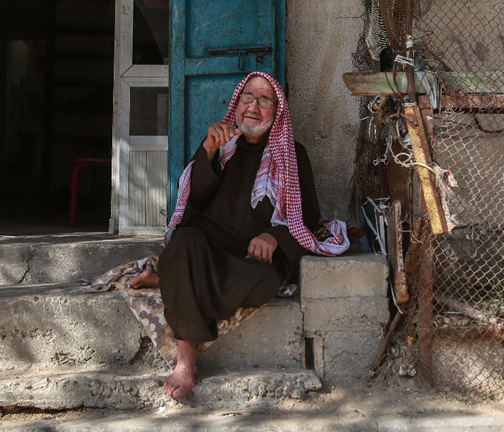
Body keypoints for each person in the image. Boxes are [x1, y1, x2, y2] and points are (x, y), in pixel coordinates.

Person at [130, 71, 349, 398]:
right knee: (183, 241)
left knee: (265, 281)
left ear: (276, 111)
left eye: (264, 100)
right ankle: (186, 357)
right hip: (205, 245)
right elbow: (192, 200)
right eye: (248, 97)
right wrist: (208, 151)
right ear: (237, 103)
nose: (253, 107)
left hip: (249, 257)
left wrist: (275, 237)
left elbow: (308, 217)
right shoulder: (219, 145)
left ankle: (172, 283)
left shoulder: (292, 155)